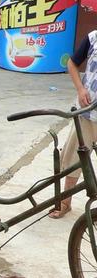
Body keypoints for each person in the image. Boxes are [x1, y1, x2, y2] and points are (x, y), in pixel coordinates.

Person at [50, 29, 97, 218]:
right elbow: (72, 62)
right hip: (85, 111)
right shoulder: (93, 37)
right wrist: (80, 89)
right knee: (73, 158)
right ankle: (65, 202)